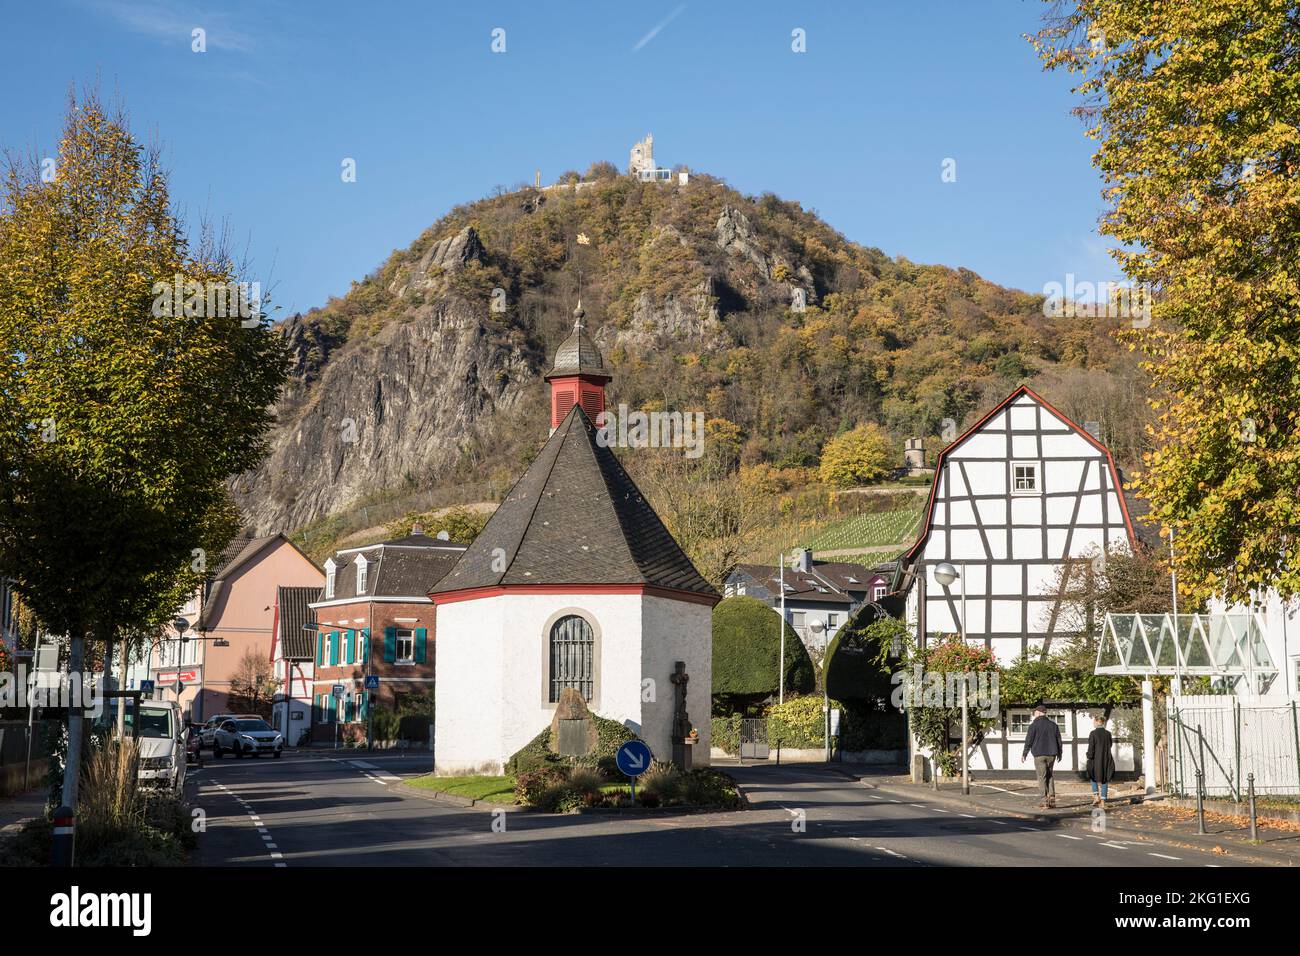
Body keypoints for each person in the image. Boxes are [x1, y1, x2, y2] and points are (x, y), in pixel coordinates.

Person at [1021, 704, 1062, 808]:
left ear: (1039, 713)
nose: (1034, 715)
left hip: (1039, 754)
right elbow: (1059, 740)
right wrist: (1060, 753)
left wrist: (1024, 753)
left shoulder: (1033, 725)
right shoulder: (1053, 725)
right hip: (1052, 754)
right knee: (1050, 775)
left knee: (1041, 777)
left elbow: (1028, 741)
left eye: (1035, 713)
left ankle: (1044, 800)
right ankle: (1052, 797)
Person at [1086, 714, 1116, 806]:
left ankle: (1096, 796)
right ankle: (1102, 801)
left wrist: (1089, 756)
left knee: (1092, 776)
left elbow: (1091, 748)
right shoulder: (1108, 733)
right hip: (1106, 758)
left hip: (1096, 759)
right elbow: (1110, 745)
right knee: (1105, 779)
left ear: (1097, 722)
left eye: (1094, 721)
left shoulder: (1093, 733)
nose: (1093, 723)